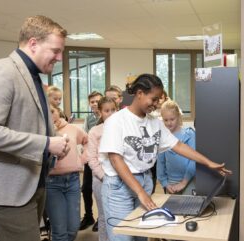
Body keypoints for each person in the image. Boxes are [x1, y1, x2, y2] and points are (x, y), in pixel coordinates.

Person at [99, 73, 232, 241]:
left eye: (158, 100)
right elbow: (115, 160)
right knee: (123, 238)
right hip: (119, 187)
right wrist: (140, 193)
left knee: (141, 236)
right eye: (153, 99)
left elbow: (178, 145)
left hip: (145, 180)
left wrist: (208, 163)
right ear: (139, 93)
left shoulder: (155, 122)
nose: (156, 105)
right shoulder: (116, 121)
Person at [0, 15, 70, 241]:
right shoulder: (1, 71)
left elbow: (27, 123)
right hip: (5, 192)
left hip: (31, 185)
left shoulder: (34, 76)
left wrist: (55, 142)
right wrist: (45, 144)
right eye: (55, 50)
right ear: (33, 43)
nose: (59, 57)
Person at [46, 106, 88, 241]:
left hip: (73, 181)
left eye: (52, 111)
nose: (50, 114)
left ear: (59, 111)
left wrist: (82, 159)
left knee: (73, 228)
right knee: (59, 231)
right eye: (47, 112)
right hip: (51, 183)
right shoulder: (41, 130)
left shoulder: (72, 128)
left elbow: (88, 141)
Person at [87, 97, 118, 241]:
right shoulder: (95, 131)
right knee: (104, 215)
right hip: (101, 180)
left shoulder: (122, 128)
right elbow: (92, 159)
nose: (111, 113)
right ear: (100, 112)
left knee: (119, 215)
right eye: (107, 111)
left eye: (113, 110)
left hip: (120, 179)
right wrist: (105, 177)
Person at [157, 100, 196, 195]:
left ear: (178, 117)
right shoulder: (163, 137)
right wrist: (165, 183)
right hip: (171, 183)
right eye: (165, 120)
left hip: (189, 180)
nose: (169, 123)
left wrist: (184, 182)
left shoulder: (189, 134)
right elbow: (160, 163)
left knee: (188, 207)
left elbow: (193, 160)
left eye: (172, 119)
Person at [80, 91, 103, 231]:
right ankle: (89, 216)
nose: (94, 103)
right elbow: (85, 136)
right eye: (92, 101)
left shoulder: (107, 116)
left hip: (102, 160)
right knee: (86, 188)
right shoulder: (88, 119)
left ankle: (102, 218)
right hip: (90, 157)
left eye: (97, 101)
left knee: (100, 190)